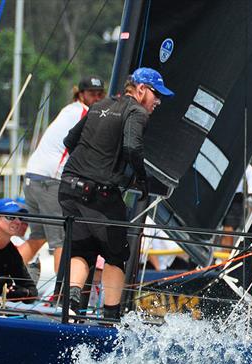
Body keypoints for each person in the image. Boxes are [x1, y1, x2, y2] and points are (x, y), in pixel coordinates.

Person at [58, 67, 174, 320]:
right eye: (156, 95)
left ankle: (70, 307)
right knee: (116, 256)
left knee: (81, 251)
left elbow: (69, 141)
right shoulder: (137, 111)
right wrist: (141, 179)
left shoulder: (99, 106)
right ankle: (111, 318)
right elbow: (133, 147)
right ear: (141, 89)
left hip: (68, 188)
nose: (158, 102)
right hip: (98, 195)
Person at [19, 76, 106, 288]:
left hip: (32, 177)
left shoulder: (69, 110)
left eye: (100, 93)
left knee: (37, 238)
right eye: (92, 93)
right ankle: (61, 296)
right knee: (61, 242)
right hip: (49, 180)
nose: (97, 97)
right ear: (81, 94)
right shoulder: (83, 113)